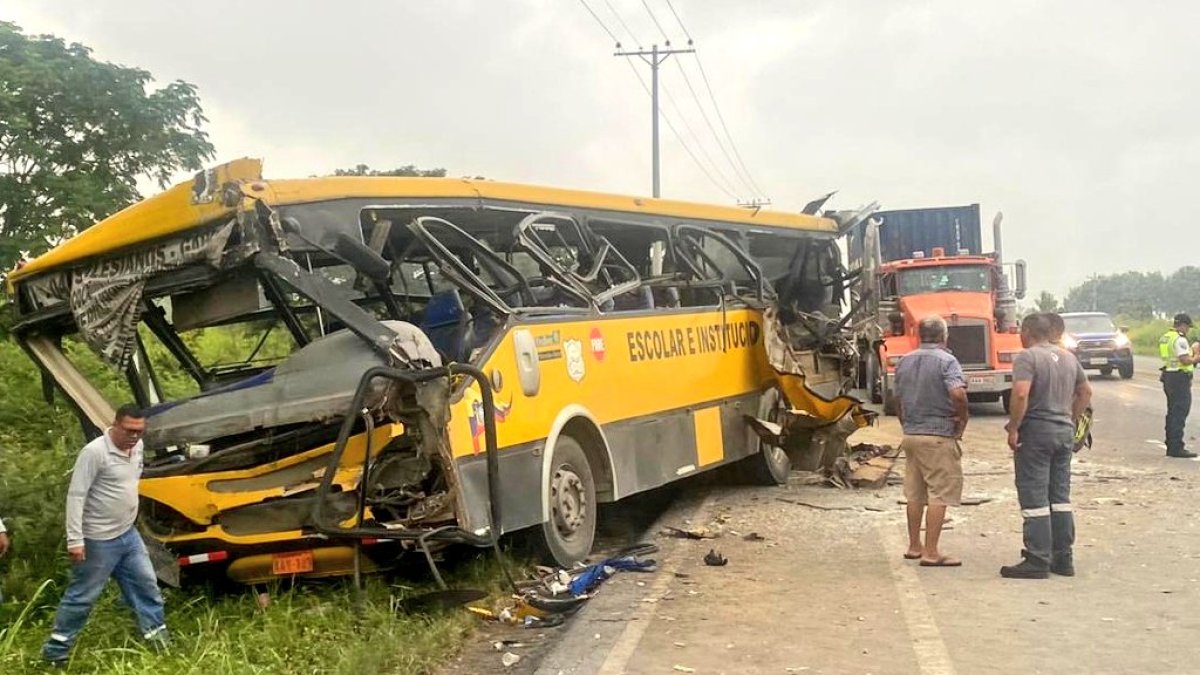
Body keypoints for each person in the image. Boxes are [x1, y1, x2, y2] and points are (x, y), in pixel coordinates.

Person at [43, 405, 169, 665]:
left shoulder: (138, 447)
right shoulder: (94, 452)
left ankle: (158, 639)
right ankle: (56, 652)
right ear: (115, 424)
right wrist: (75, 540)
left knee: (147, 585)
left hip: (128, 535)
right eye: (129, 430)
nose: (134, 436)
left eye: (139, 431)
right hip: (98, 540)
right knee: (83, 596)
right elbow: (76, 496)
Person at [1001, 313, 1092, 579]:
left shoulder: (1027, 357)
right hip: (1063, 432)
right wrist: (1070, 419)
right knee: (1060, 496)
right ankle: (1063, 558)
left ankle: (1038, 558)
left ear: (1027, 332)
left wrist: (1015, 427)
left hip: (1037, 432)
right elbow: (1085, 392)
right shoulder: (1068, 357)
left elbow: (1020, 393)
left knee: (1034, 496)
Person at [894, 315, 969, 567]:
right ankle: (931, 552)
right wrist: (961, 419)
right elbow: (957, 393)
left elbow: (898, 397)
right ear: (943, 336)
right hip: (938, 434)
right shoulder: (947, 361)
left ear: (918, 335)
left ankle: (914, 546)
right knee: (939, 493)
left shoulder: (904, 360)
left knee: (915, 493)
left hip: (912, 433)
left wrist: (905, 422)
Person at [1159, 313, 1199, 458]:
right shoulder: (1180, 339)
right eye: (1187, 327)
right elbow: (1185, 360)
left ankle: (1171, 444)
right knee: (1180, 412)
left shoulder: (1166, 337)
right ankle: (1176, 447)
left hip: (1169, 376)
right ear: (1182, 325)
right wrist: (1197, 357)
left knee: (1172, 412)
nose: (1188, 329)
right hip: (1179, 378)